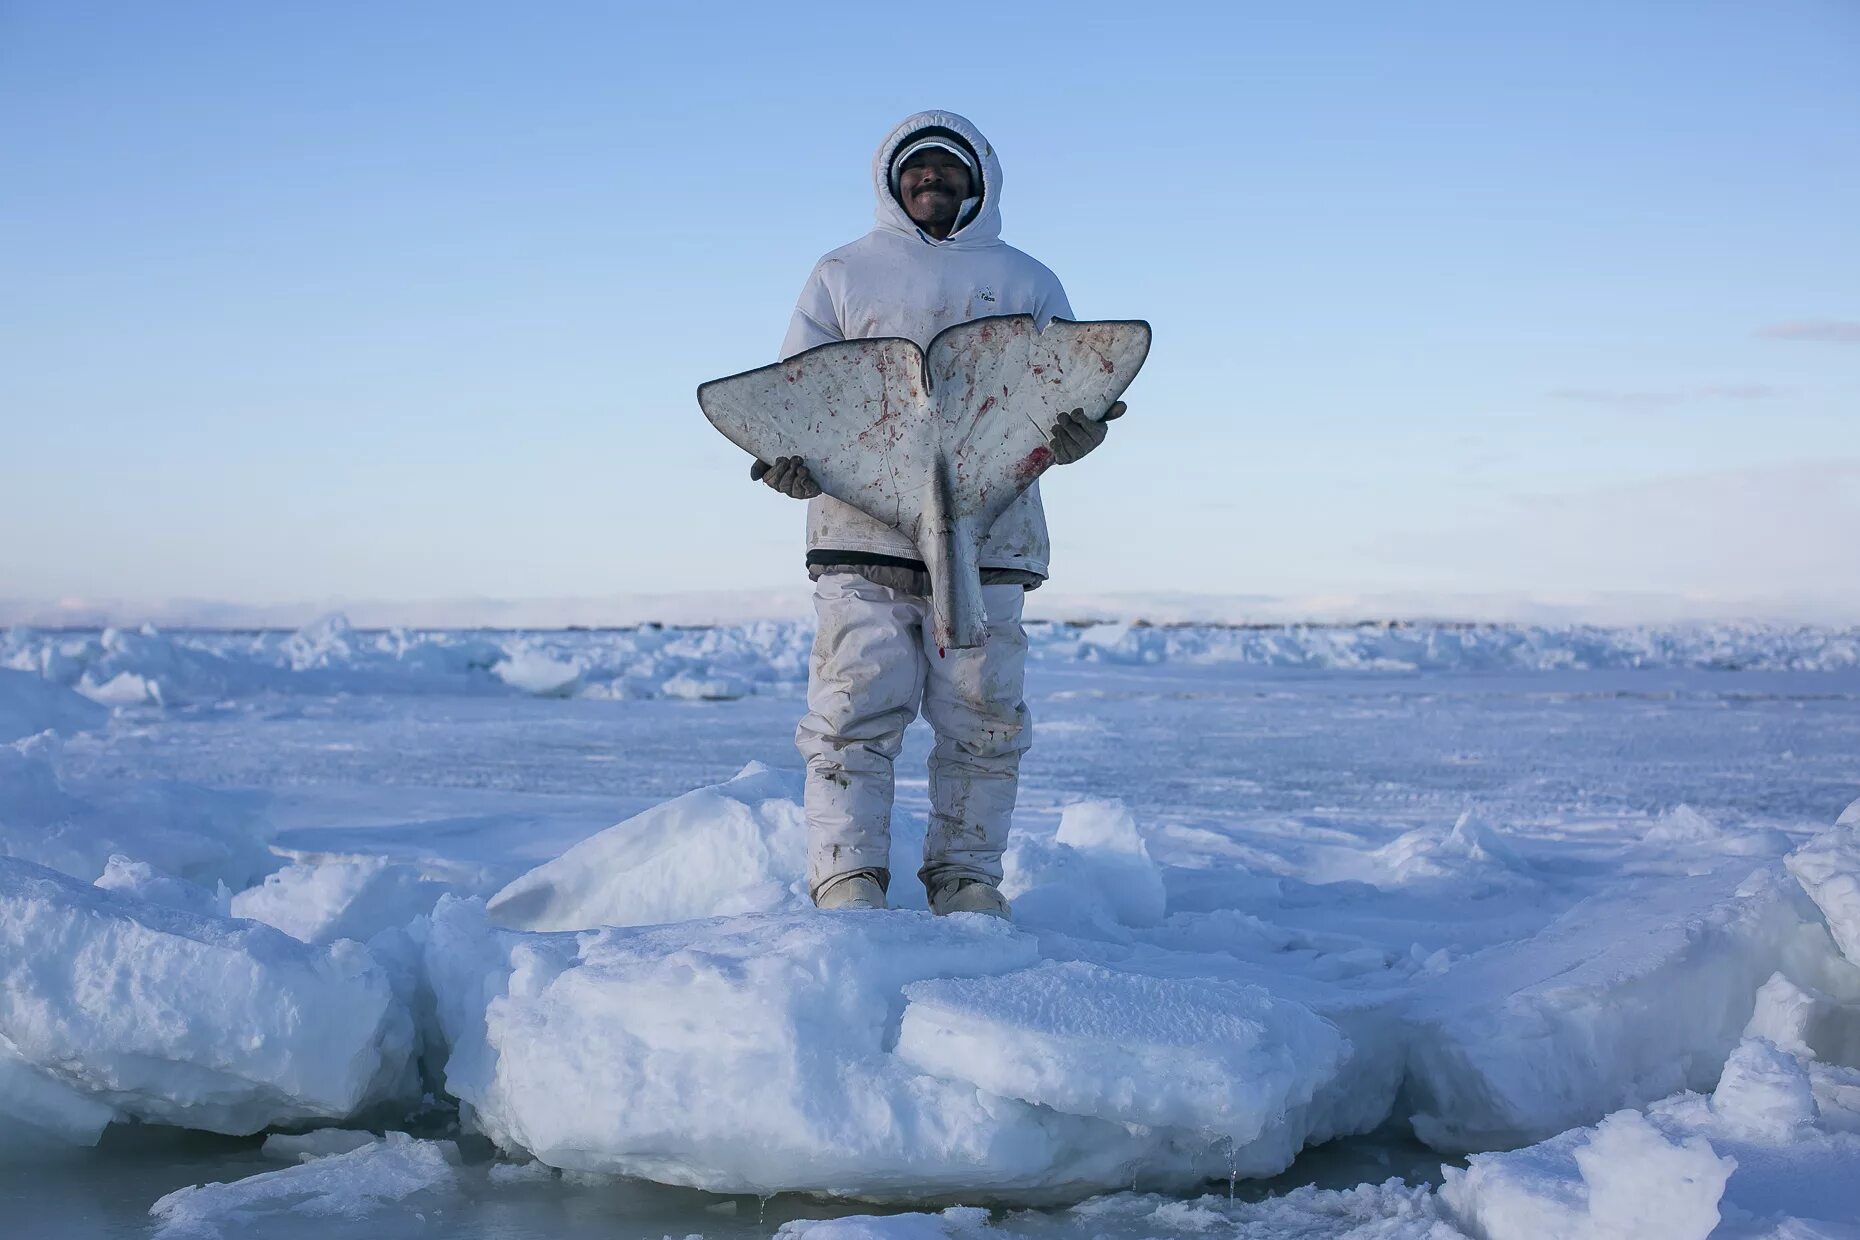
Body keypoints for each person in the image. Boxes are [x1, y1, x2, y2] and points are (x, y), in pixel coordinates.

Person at [753, 110, 1124, 917]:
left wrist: (1077, 433)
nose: (932, 180)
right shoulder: (842, 274)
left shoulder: (1028, 280)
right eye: (917, 168)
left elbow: (1066, 381)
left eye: (948, 170)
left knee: (982, 718)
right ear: (893, 180)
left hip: (989, 535)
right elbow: (799, 391)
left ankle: (966, 878)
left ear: (977, 181)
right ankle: (847, 878)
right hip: (861, 535)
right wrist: (791, 460)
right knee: (854, 710)